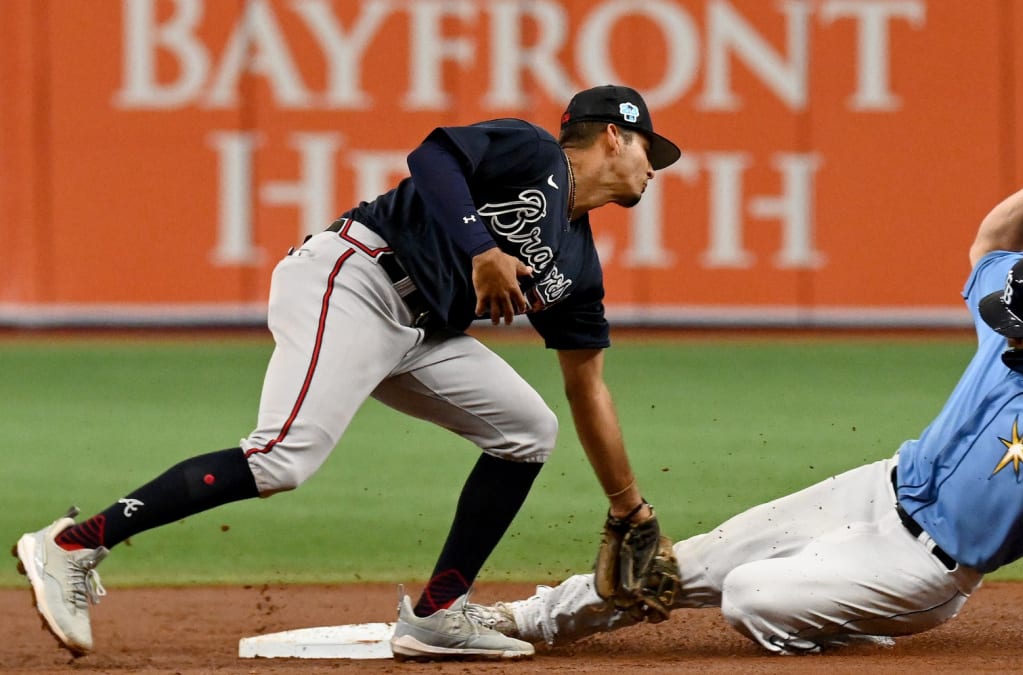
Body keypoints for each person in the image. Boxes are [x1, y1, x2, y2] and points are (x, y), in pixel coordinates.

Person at [12, 84, 682, 661]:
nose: (656, 167)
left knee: (527, 429)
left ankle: (437, 615)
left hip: (419, 332)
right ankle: (74, 543)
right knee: (281, 459)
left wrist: (629, 507)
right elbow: (434, 156)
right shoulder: (534, 152)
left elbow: (586, 384)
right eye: (651, 150)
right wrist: (481, 248)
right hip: (354, 276)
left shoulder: (577, 266)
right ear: (617, 135)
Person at [465, 156, 1023, 661]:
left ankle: (844, 619)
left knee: (747, 595)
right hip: (872, 487)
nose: (1001, 325)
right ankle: (532, 616)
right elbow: (991, 245)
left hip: (924, 570)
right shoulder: (1015, 332)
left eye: (1017, 323)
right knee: (688, 563)